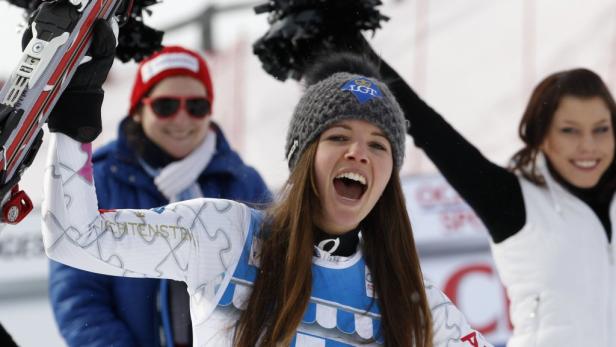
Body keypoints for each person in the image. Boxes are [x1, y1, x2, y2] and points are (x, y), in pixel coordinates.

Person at [39, 21, 491, 346]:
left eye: (379, 145)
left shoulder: (409, 295)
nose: (358, 153)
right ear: (301, 157)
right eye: (337, 137)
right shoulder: (225, 234)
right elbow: (75, 238)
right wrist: (72, 125)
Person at [366, 41, 616, 346]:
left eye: (601, 129)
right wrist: (344, 40)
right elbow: (425, 125)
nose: (588, 146)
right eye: (569, 130)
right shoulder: (511, 200)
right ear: (542, 136)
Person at [47, 44, 271, 347]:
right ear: (139, 110)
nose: (181, 119)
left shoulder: (241, 181)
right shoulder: (100, 179)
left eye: (196, 107)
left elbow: (272, 283)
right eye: (165, 106)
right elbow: (79, 298)